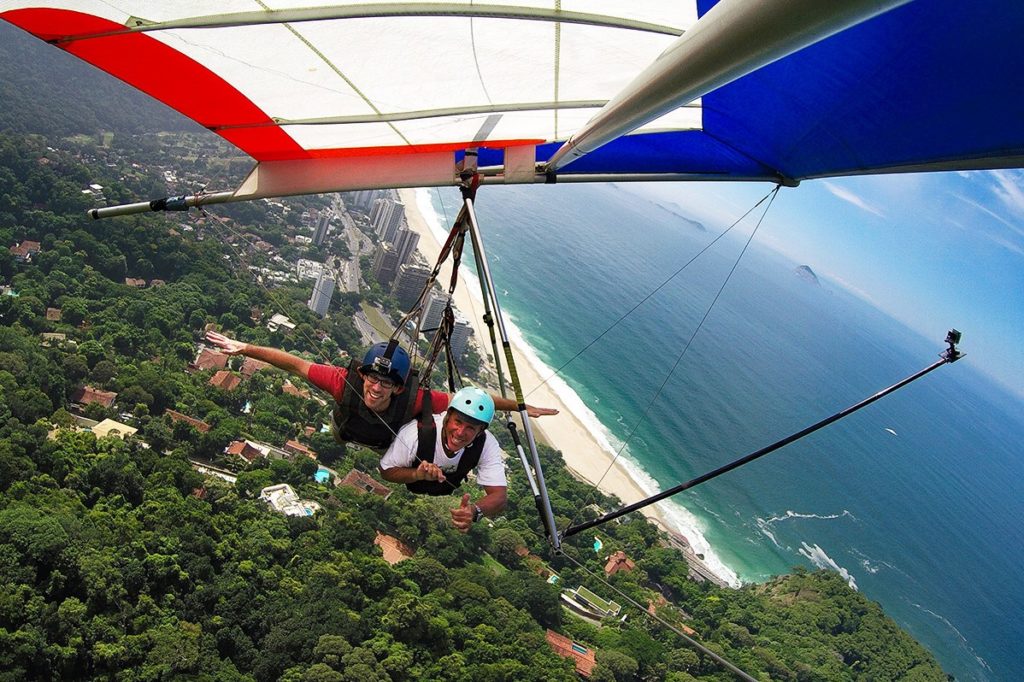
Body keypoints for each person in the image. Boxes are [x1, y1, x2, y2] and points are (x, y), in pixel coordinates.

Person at [204, 331, 557, 450]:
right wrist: (245, 348)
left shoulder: (415, 399)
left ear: (398, 387)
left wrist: (522, 407)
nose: (375, 387)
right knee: (343, 431)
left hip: (382, 443)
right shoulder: (344, 382)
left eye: (385, 383)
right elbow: (293, 363)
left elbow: (471, 399)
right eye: (372, 378)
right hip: (346, 429)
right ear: (362, 375)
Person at [379, 386, 506, 532]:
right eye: (457, 422)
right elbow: (385, 470)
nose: (460, 432)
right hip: (414, 480)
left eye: (470, 428)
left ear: (480, 432)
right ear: (447, 417)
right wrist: (416, 474)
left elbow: (500, 497)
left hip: (445, 487)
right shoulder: (415, 433)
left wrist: (474, 510)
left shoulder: (485, 444)